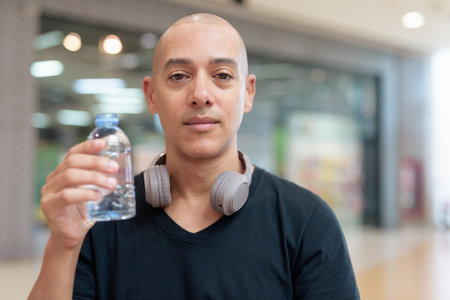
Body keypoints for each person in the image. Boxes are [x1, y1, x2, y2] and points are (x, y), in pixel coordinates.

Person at [29, 13, 360, 299]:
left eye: (222, 76)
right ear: (152, 94)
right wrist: (62, 245)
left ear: (248, 93)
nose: (201, 95)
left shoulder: (307, 222)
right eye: (178, 76)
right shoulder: (104, 218)